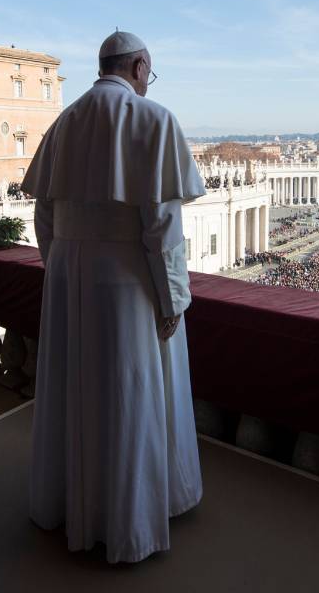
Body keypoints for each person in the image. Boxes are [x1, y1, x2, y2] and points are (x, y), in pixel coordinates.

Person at [21, 30, 206, 563]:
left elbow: (44, 216)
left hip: (68, 273)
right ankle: (129, 523)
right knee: (128, 394)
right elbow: (162, 228)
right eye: (150, 72)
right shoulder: (154, 119)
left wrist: (61, 269)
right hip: (128, 281)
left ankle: (70, 504)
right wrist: (173, 300)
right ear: (140, 66)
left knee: (75, 389)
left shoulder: (64, 122)